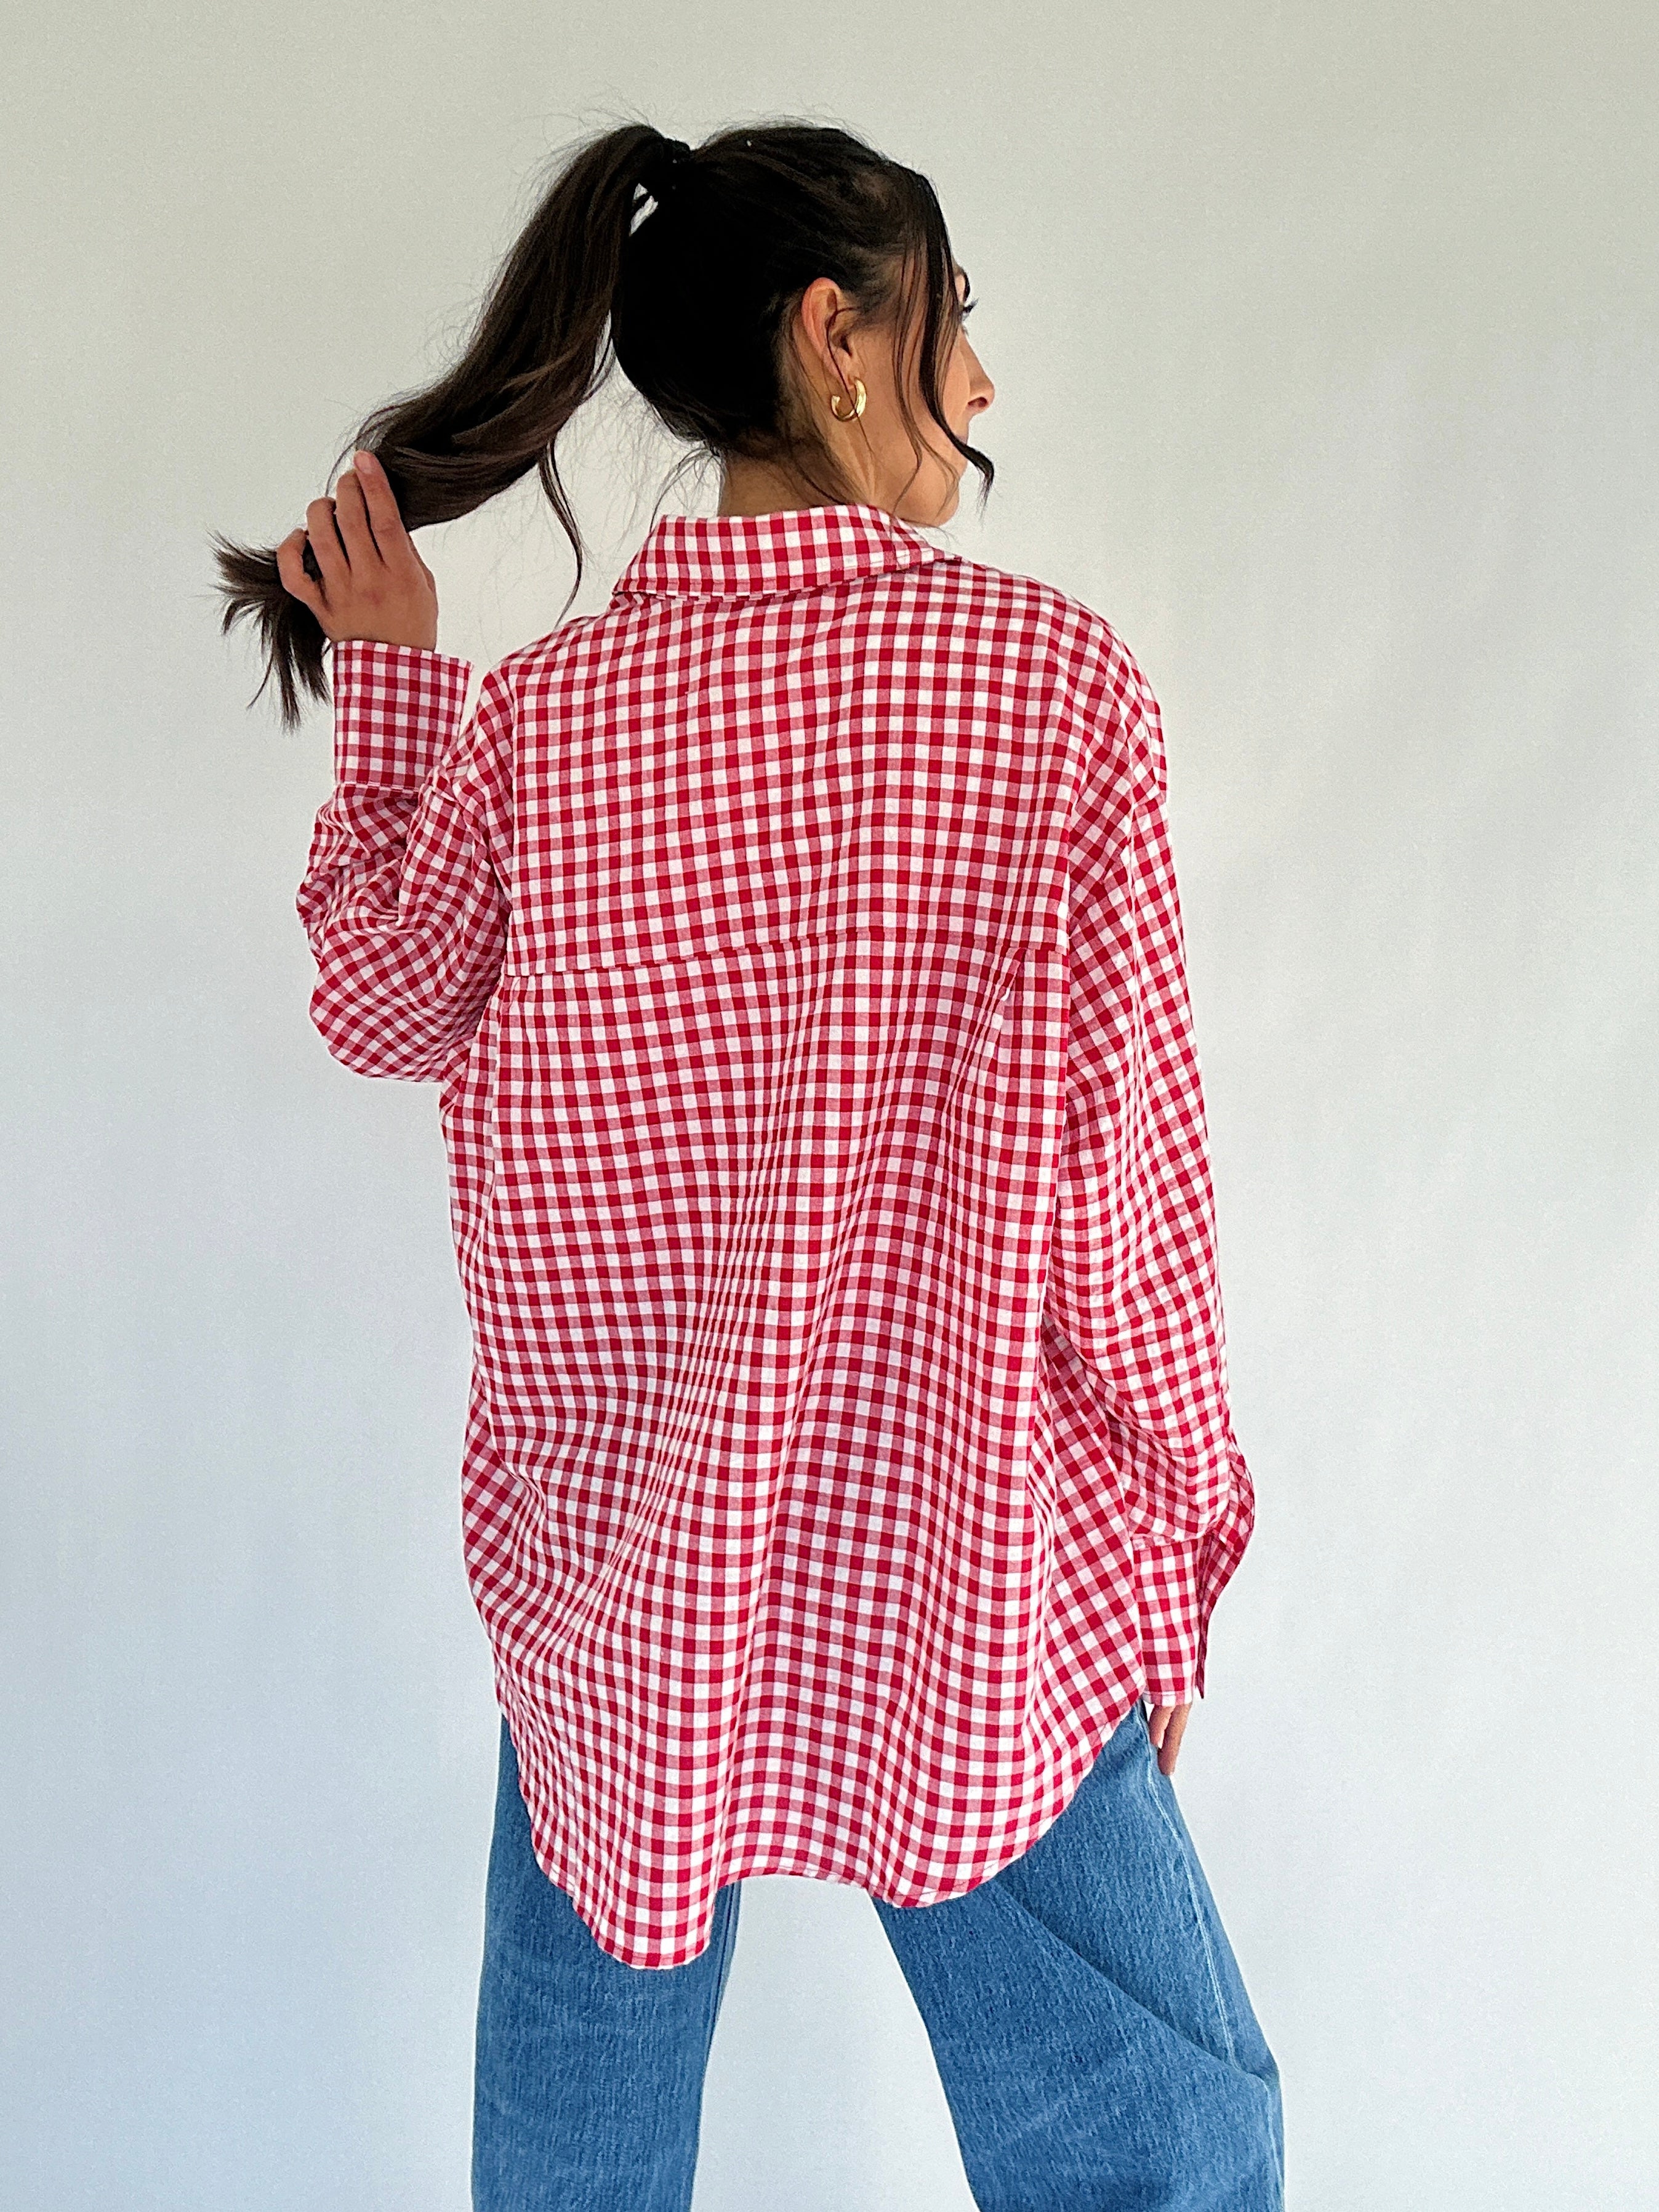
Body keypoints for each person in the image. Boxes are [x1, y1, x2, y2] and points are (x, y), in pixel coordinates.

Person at [215, 119, 1282, 2212]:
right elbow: (1132, 1187)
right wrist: (1169, 1566)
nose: (977, 389)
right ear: (838, 339)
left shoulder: (544, 720)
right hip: (961, 1556)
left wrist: (405, 688)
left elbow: (384, 1009)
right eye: (953, 321)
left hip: (633, 1563)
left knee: (573, 2172)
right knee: (1172, 2156)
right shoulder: (1055, 698)